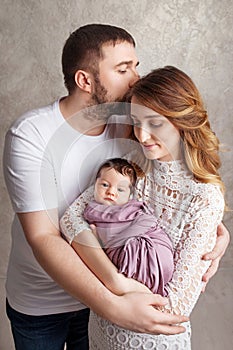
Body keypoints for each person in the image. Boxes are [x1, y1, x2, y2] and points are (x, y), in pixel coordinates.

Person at [2, 22, 229, 350]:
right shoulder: (31, 135)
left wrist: (214, 231)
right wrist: (115, 301)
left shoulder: (131, 129)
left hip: (106, 309)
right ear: (85, 80)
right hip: (45, 303)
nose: (136, 78)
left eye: (136, 65)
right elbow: (43, 237)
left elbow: (166, 193)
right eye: (123, 69)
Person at [60, 66, 226, 349]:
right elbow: (71, 218)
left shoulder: (204, 197)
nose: (143, 135)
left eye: (155, 123)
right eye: (137, 122)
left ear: (182, 120)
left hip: (153, 343)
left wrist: (104, 274)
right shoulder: (132, 165)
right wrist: (116, 283)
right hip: (100, 331)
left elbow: (174, 310)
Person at [61, 157, 174, 295]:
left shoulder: (131, 209)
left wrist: (112, 243)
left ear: (129, 196)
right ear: (95, 185)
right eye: (104, 185)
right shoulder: (90, 212)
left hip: (154, 249)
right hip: (122, 260)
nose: (111, 192)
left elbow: (148, 222)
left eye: (120, 189)